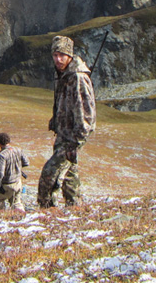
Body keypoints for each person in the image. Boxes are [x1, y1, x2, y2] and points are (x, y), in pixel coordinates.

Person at [37, 35, 96, 208]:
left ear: (69, 55)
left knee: (49, 174)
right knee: (70, 174)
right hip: (64, 133)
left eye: (62, 55)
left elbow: (87, 112)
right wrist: (56, 120)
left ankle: (45, 210)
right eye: (55, 55)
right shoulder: (63, 75)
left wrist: (76, 141)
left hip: (72, 137)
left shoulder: (77, 77)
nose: (58, 59)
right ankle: (74, 206)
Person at [0, 132, 30, 210]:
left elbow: (0, 173)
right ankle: (21, 218)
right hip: (17, 183)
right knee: (16, 203)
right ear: (9, 141)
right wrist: (17, 168)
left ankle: (1, 218)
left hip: (6, 185)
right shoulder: (18, 150)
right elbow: (27, 163)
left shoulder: (2, 155)